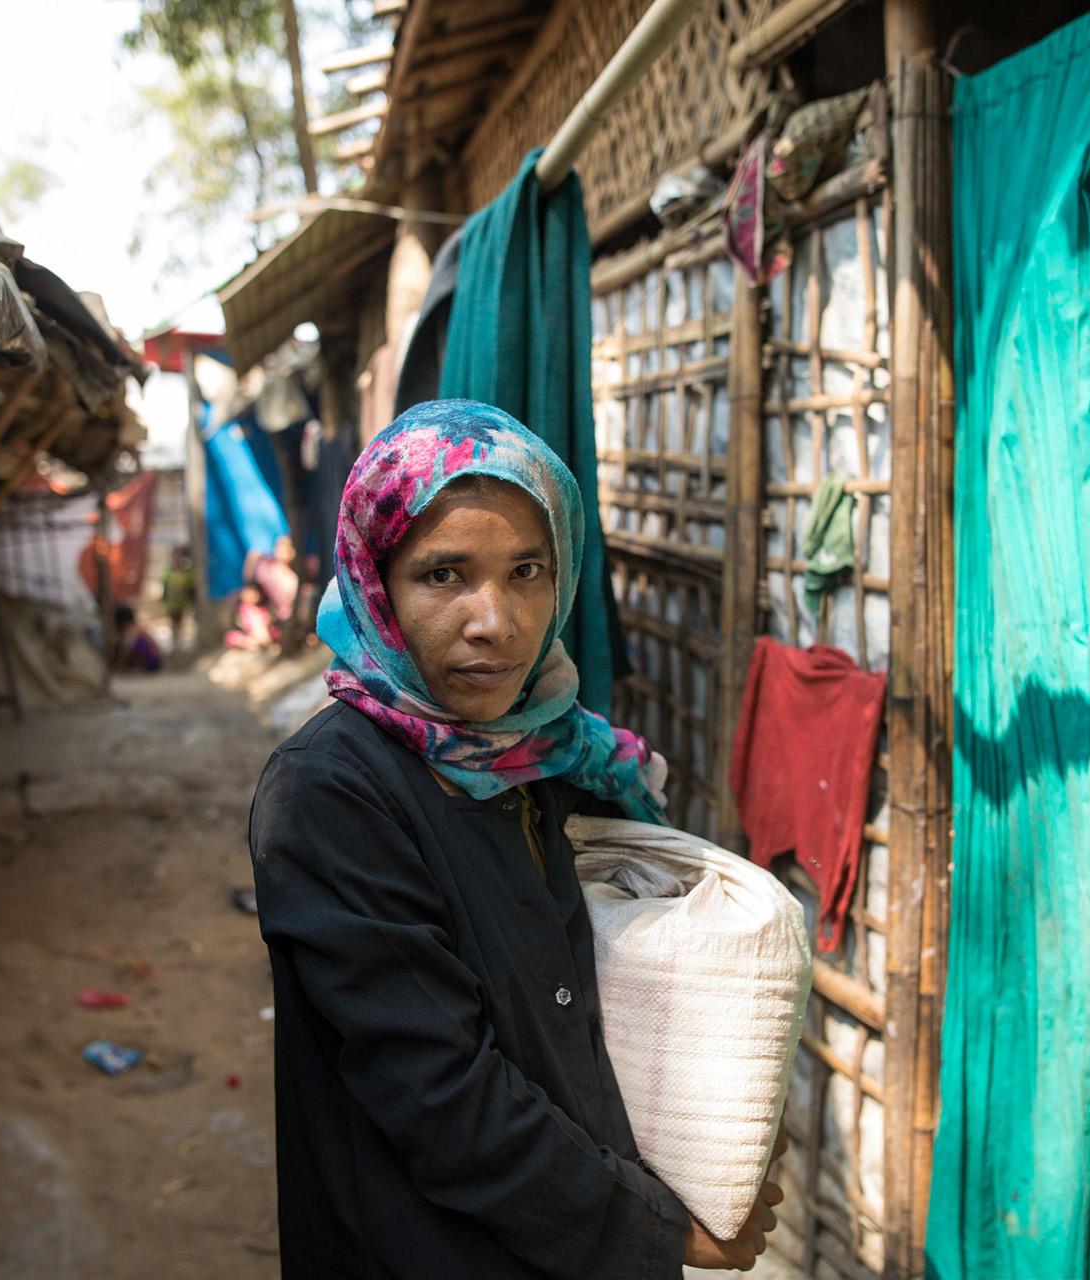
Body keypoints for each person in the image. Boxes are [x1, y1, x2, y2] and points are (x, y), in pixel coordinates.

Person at [248, 400, 783, 1278]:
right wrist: (655, 1226)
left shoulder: (555, 753)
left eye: (527, 571)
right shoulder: (332, 790)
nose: (493, 621)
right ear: (376, 582)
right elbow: (438, 1093)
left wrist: (710, 1156)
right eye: (444, 575)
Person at [161, 545, 195, 650]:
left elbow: (191, 588)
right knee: (173, 622)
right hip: (171, 603)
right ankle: (175, 642)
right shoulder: (168, 572)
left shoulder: (188, 574)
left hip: (182, 602)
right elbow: (165, 587)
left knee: (181, 622)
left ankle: (180, 642)